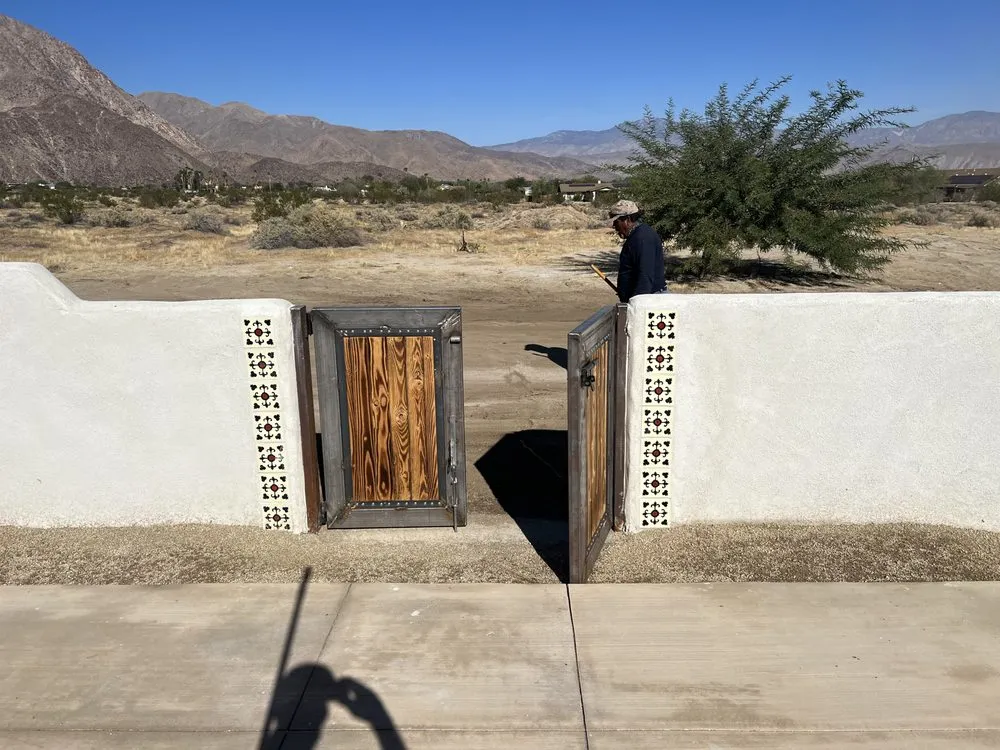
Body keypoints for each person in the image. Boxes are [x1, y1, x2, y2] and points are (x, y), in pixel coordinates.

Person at [608, 199, 667, 303]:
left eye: (616, 222)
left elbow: (645, 276)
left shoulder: (642, 238)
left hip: (649, 301)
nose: (614, 226)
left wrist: (636, 306)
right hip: (643, 299)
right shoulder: (637, 236)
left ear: (627, 219)